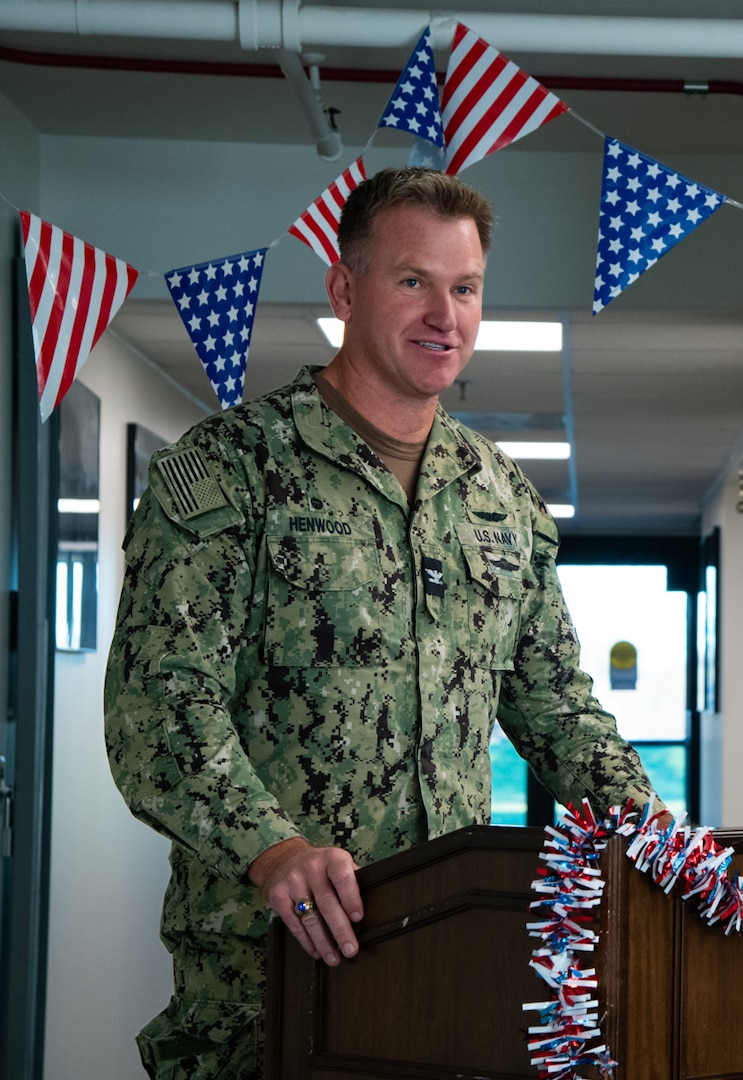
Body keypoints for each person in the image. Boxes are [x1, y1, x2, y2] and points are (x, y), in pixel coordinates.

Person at [104, 167, 662, 1079]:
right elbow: (158, 713)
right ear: (344, 288)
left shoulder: (500, 496)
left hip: (447, 973)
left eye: (466, 287)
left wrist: (660, 844)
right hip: (267, 986)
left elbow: (559, 710)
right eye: (414, 281)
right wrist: (273, 848)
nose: (446, 314)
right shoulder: (235, 470)